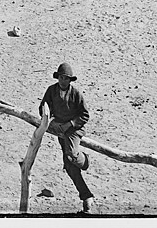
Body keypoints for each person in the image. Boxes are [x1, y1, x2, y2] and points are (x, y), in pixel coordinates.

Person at [39, 62, 94, 213]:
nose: (63, 81)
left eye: (66, 78)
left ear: (70, 80)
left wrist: (70, 124)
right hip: (60, 129)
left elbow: (85, 115)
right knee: (70, 167)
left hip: (74, 129)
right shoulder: (51, 91)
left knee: (71, 155)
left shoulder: (76, 94)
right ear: (58, 78)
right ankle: (86, 197)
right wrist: (51, 120)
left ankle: (86, 160)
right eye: (61, 78)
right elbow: (43, 107)